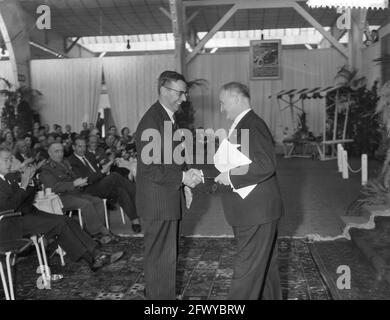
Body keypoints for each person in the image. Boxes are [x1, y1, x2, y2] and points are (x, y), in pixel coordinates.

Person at [135, 70, 203, 300]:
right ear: (164, 91)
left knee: (164, 256)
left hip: (165, 198)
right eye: (180, 93)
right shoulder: (152, 122)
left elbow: (169, 159)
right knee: (162, 257)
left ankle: (157, 294)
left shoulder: (166, 118)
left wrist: (184, 180)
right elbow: (150, 168)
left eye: (185, 94)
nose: (184, 99)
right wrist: (183, 179)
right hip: (157, 203)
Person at [0, 148, 123, 272]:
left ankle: (96, 254)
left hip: (26, 213)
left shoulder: (9, 177)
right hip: (9, 222)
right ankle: (93, 259)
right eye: (6, 160)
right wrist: (24, 185)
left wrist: (30, 181)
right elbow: (8, 206)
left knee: (66, 220)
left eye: (10, 159)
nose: (10, 163)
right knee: (59, 224)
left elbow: (27, 200)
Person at [214, 82, 284, 300]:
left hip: (255, 212)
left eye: (223, 103)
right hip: (255, 210)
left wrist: (231, 175)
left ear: (236, 98)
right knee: (265, 270)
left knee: (247, 273)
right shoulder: (245, 123)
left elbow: (265, 164)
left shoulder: (252, 124)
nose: (221, 109)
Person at [39, 142, 115, 244]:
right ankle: (99, 232)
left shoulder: (65, 163)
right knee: (86, 204)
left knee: (98, 201)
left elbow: (73, 178)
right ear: (50, 153)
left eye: (61, 151)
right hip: (59, 198)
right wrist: (74, 184)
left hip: (74, 193)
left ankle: (94, 232)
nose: (60, 154)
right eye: (56, 151)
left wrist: (80, 183)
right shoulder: (46, 168)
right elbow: (53, 187)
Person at [67, 136, 141, 233]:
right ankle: (139, 194)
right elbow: (84, 180)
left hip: (100, 184)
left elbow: (96, 171)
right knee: (115, 176)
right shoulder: (71, 161)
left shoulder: (89, 155)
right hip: (87, 189)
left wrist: (107, 166)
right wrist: (102, 172)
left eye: (84, 146)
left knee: (120, 190)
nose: (83, 149)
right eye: (80, 147)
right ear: (73, 147)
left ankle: (135, 221)